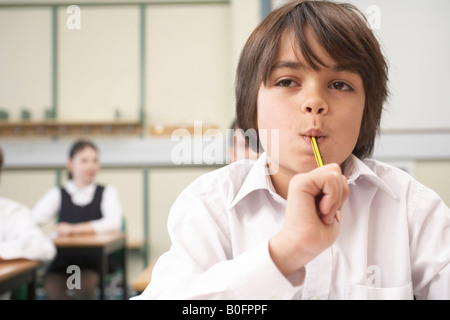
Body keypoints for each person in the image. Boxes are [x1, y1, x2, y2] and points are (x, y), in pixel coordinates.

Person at [132, 0, 450, 300]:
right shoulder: (212, 206)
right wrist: (284, 253)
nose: (314, 102)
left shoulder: (411, 209)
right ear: (250, 104)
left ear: (368, 110)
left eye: (340, 84)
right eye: (286, 81)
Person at [32, 139, 123, 300]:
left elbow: (114, 223)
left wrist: (73, 229)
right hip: (62, 262)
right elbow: (32, 220)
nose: (91, 166)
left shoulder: (107, 192)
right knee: (53, 286)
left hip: (93, 262)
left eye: (95, 160)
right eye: (84, 160)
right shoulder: (58, 193)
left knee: (83, 285)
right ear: (70, 163)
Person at [0, 147, 56, 299]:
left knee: (80, 283)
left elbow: (44, 247)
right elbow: (37, 216)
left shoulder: (11, 212)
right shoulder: (58, 194)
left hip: (74, 265)